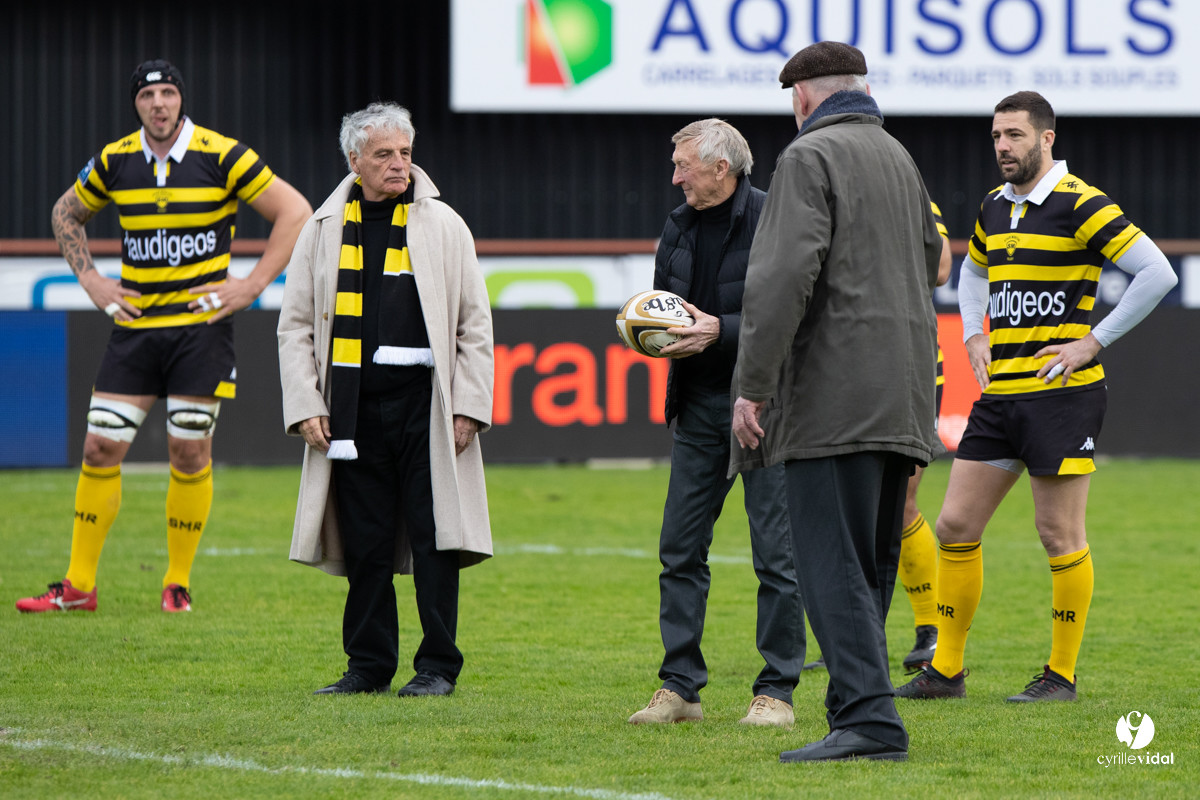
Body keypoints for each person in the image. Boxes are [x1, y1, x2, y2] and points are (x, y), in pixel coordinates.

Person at [895, 91, 1177, 703]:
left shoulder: (1081, 203)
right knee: (955, 524)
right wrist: (973, 331)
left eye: (1016, 135)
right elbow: (971, 271)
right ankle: (946, 670)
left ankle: (1061, 675)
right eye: (997, 135)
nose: (1003, 146)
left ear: (1047, 139)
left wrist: (1091, 343)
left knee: (1058, 535)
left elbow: (1158, 272)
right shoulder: (995, 206)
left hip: (1063, 396)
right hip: (1001, 396)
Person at [16, 59, 311, 615]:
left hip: (201, 332)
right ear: (136, 104)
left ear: (181, 99)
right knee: (99, 447)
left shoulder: (222, 153)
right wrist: (93, 280)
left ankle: (177, 582)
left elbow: (293, 211)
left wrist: (250, 285)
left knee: (189, 451)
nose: (159, 102)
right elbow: (64, 213)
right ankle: (79, 587)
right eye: (148, 93)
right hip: (134, 332)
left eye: (168, 92)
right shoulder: (116, 158)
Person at [730, 42, 942, 762]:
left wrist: (753, 385)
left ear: (801, 96)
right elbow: (930, 265)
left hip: (834, 397)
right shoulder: (899, 158)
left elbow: (781, 278)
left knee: (831, 565)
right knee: (871, 565)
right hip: (905, 393)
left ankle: (871, 725)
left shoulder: (807, 157)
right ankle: (857, 707)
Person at [277, 102, 494, 698]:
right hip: (349, 412)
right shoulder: (320, 229)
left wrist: (469, 405)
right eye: (384, 155)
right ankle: (368, 668)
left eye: (404, 153)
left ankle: (437, 669)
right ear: (355, 161)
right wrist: (305, 404)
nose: (399, 164)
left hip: (427, 408)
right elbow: (295, 326)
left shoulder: (445, 224)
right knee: (366, 545)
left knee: (436, 540)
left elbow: (474, 324)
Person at [627, 119, 805, 728]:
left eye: (684, 167)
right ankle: (680, 689)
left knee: (775, 557)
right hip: (700, 407)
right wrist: (656, 336)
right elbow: (667, 307)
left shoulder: (774, 217)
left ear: (721, 169)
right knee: (678, 549)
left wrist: (720, 330)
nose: (675, 177)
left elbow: (791, 308)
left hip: (764, 407)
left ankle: (776, 693)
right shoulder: (677, 224)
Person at [803, 204, 952, 675]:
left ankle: (930, 630)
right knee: (844, 504)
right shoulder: (814, 193)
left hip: (908, 360)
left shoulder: (903, 190)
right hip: (841, 362)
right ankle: (853, 634)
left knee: (900, 501)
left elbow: (943, 267)